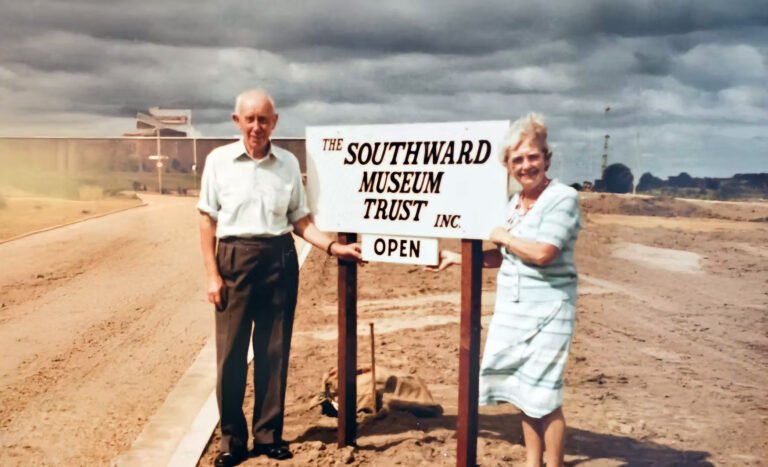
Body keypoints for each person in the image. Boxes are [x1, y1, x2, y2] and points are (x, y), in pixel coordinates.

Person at [197, 89, 361, 467]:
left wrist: (332, 247)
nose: (257, 126)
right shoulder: (219, 161)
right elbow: (207, 219)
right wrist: (212, 275)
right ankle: (232, 440)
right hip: (234, 260)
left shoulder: (287, 163)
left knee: (274, 352)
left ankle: (269, 435)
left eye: (264, 119)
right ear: (237, 121)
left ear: (275, 122)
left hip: (278, 259)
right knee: (231, 356)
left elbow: (300, 220)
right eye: (249, 119)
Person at [431, 113, 581, 467]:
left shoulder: (562, 198)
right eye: (518, 159)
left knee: (544, 394)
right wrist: (459, 258)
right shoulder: (513, 204)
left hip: (549, 310)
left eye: (533, 156)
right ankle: (533, 461)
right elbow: (505, 255)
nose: (526, 166)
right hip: (514, 310)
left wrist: (504, 236)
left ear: (547, 158)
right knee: (523, 390)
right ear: (508, 166)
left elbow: (543, 253)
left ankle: (553, 464)